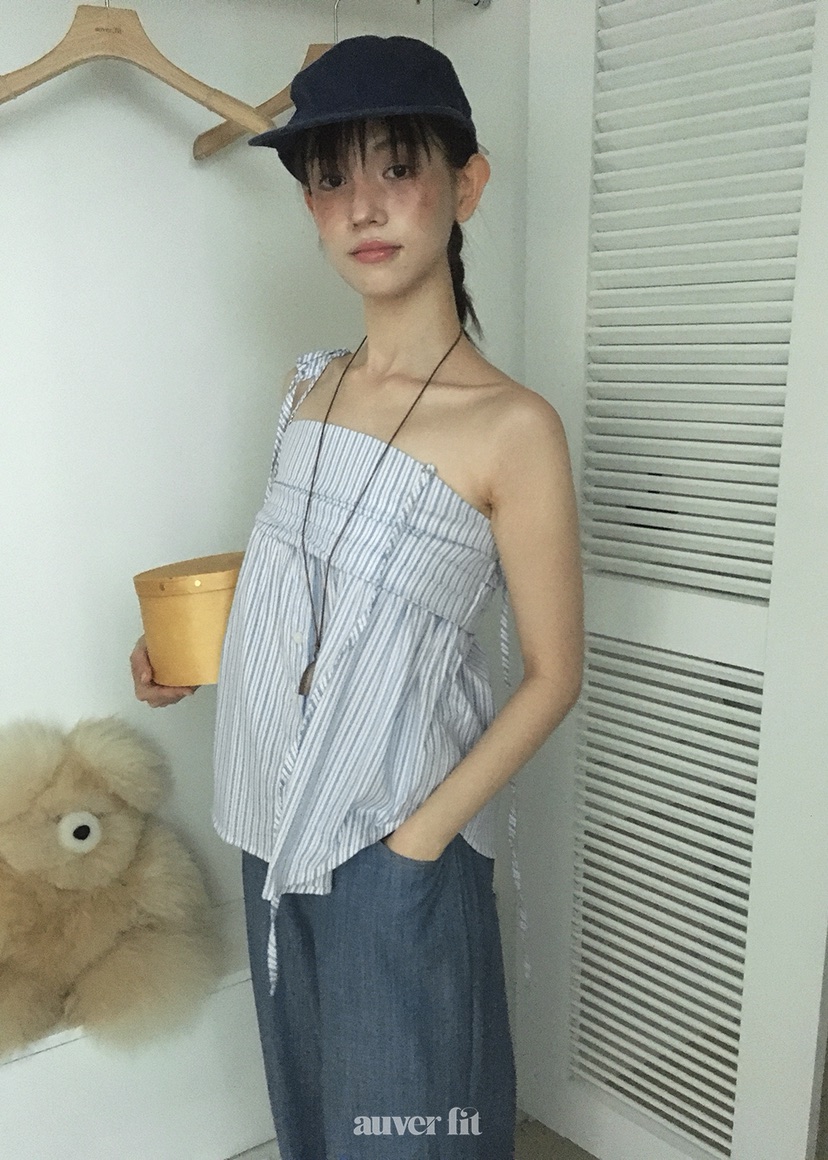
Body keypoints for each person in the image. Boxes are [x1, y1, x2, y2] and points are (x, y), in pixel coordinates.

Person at [130, 34, 583, 1160]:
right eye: (332, 178)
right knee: (315, 1114)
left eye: (399, 166)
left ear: (466, 183)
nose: (364, 206)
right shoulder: (311, 387)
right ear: (309, 206)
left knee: (408, 1127)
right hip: (268, 819)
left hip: (393, 839)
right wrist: (192, 650)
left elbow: (555, 672)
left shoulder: (512, 428)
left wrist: (416, 843)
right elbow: (311, 572)